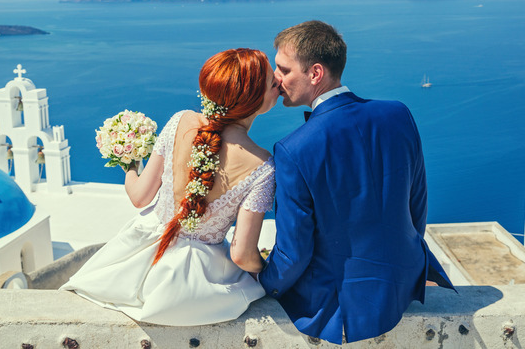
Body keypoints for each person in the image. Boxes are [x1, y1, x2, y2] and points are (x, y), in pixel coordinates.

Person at [258, 21, 453, 344]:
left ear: (315, 73)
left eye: (283, 69)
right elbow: (416, 205)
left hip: (343, 308)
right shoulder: (399, 114)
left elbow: (294, 253)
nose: (276, 78)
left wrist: (263, 285)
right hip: (403, 283)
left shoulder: (293, 150)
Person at [60, 48, 280, 326]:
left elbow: (140, 197)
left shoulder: (181, 120)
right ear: (253, 99)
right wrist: (266, 271)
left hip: (133, 262)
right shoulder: (262, 166)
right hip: (196, 284)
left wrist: (129, 164)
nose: (279, 82)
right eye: (273, 82)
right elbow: (242, 255)